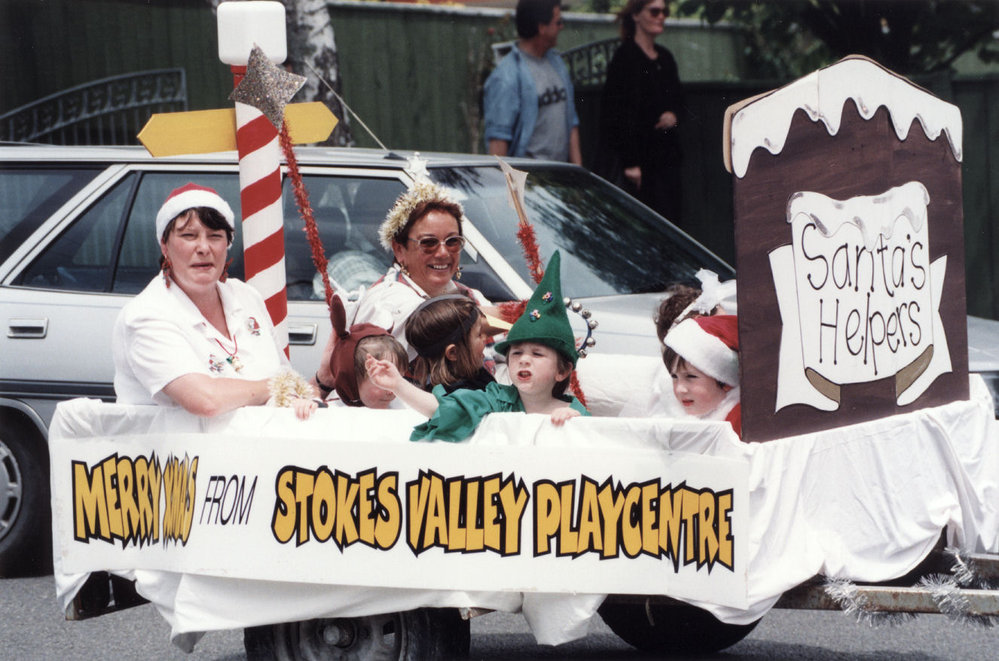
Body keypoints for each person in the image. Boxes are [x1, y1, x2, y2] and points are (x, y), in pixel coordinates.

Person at [113, 183, 315, 418]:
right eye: (189, 236)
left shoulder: (246, 296)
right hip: (175, 453)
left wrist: (320, 383)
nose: (204, 248)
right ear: (164, 245)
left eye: (215, 236)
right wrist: (277, 387)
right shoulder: (147, 313)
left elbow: (286, 382)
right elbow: (205, 400)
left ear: (227, 244)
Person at [366, 251, 588, 442]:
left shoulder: (575, 411)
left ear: (562, 371)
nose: (524, 359)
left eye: (537, 354)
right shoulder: (495, 399)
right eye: (516, 352)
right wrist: (398, 385)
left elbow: (598, 447)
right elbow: (445, 408)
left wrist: (576, 425)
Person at [597, 0, 685, 224]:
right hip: (638, 170)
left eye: (664, 11)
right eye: (654, 11)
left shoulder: (665, 58)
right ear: (636, 15)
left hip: (666, 164)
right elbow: (614, 115)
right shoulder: (624, 58)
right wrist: (630, 163)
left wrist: (673, 115)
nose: (661, 17)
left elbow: (679, 100)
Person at [483, 0, 582, 165]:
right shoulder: (506, 76)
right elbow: (498, 142)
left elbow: (571, 121)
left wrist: (579, 174)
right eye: (558, 22)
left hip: (559, 177)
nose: (561, 27)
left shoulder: (556, 62)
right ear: (541, 28)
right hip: (529, 182)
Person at [663, 314, 741, 436]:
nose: (680, 389)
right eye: (674, 377)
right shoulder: (667, 412)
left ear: (725, 382)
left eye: (691, 377)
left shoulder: (738, 426)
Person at [405, 294, 499, 393]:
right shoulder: (461, 400)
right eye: (479, 334)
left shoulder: (476, 376)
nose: (485, 338)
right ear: (453, 353)